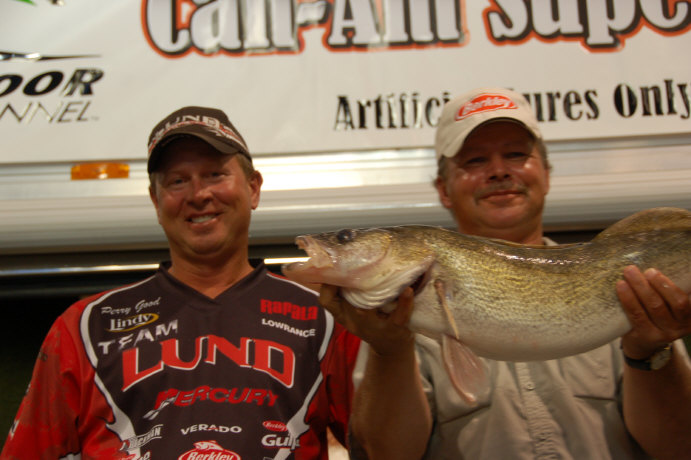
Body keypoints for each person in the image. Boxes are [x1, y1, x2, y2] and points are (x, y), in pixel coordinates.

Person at [321, 87, 691, 460]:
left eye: (516, 154)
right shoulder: (393, 318)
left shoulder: (638, 284)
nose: (498, 171)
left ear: (546, 174)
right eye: (475, 160)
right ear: (443, 190)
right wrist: (389, 351)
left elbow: (679, 447)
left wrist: (649, 353)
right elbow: (386, 455)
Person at [1, 106, 360, 459]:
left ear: (253, 188)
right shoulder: (85, 326)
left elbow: (384, 447)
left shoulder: (324, 314)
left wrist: (388, 353)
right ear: (156, 201)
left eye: (215, 174)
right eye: (177, 181)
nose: (198, 194)